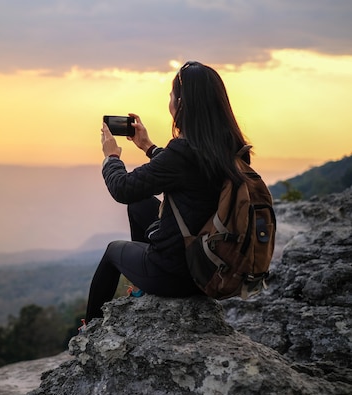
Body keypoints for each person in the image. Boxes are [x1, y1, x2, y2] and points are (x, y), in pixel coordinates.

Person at [85, 61, 251, 321]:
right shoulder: (230, 147)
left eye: (171, 96)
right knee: (140, 205)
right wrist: (149, 147)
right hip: (211, 262)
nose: (169, 102)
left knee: (111, 251)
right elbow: (187, 172)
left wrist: (111, 157)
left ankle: (90, 329)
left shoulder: (183, 151)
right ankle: (142, 286)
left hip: (178, 274)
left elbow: (123, 188)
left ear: (182, 104)